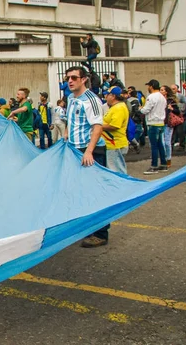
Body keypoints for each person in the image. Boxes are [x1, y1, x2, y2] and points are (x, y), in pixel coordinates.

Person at [63, 66, 107, 248]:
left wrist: (89, 151)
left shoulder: (91, 100)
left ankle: (101, 233)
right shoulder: (71, 98)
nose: (70, 81)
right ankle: (87, 229)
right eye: (68, 78)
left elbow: (97, 126)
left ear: (83, 79)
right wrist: (66, 134)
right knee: (80, 191)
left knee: (95, 192)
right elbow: (70, 120)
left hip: (90, 151)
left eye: (74, 77)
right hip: (74, 149)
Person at [140, 79, 168, 175]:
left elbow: (146, 110)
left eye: (148, 86)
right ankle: (164, 164)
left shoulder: (151, 97)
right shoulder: (162, 97)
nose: (148, 87)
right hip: (161, 122)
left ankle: (154, 166)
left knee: (154, 146)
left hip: (153, 123)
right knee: (160, 144)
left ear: (151, 86)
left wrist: (140, 109)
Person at [102, 87, 129, 174]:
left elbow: (114, 126)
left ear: (113, 96)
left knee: (116, 171)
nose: (106, 97)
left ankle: (121, 187)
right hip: (113, 143)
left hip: (115, 144)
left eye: (108, 95)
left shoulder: (118, 108)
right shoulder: (116, 107)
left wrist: (99, 126)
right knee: (115, 169)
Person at [160, 85, 181, 168]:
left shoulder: (171, 101)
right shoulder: (160, 100)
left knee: (167, 142)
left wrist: (171, 108)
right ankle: (164, 158)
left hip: (168, 123)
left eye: (162, 90)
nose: (160, 91)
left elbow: (178, 111)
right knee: (161, 142)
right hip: (160, 122)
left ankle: (168, 158)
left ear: (166, 92)